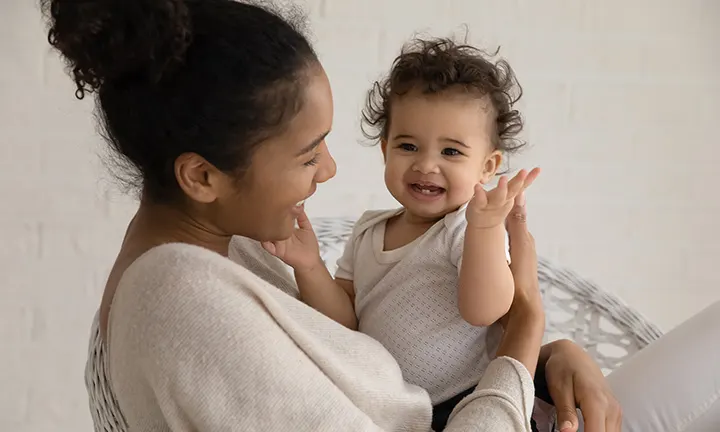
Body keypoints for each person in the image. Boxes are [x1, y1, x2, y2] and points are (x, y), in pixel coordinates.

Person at [41, 0, 719, 431]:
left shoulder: (219, 250)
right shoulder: (186, 307)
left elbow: (419, 327)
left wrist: (546, 357)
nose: (330, 172)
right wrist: (528, 331)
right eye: (308, 155)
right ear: (202, 175)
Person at [259, 37, 543, 431]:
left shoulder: (464, 230)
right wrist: (310, 267)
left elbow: (485, 311)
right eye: (408, 146)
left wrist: (487, 228)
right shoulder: (369, 230)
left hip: (464, 402)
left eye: (451, 152)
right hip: (386, 404)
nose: (426, 165)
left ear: (487, 167)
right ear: (385, 149)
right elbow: (347, 322)